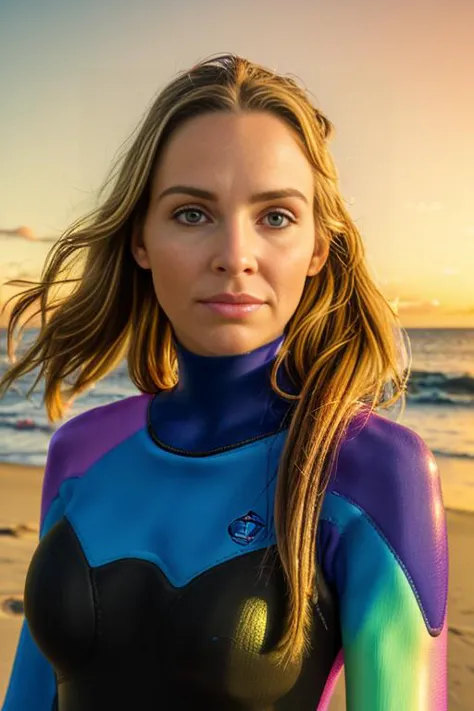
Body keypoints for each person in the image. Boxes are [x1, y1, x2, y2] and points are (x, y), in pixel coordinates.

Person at [0, 53, 448, 710]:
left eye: (275, 216)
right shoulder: (81, 452)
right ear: (141, 238)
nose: (234, 254)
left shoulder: (374, 471)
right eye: (191, 213)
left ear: (318, 246)